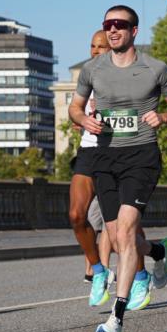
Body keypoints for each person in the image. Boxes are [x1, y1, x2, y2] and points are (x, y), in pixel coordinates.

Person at [71, 5, 167, 332]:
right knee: (119, 235)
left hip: (141, 156)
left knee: (123, 232)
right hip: (104, 157)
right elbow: (74, 108)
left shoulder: (155, 69)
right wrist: (83, 120)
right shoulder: (92, 69)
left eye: (120, 25)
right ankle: (157, 250)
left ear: (134, 31)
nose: (112, 30)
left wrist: (165, 118)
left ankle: (116, 319)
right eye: (107, 24)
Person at [70, 30, 114, 285]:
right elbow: (75, 110)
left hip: (115, 154)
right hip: (88, 151)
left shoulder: (124, 78)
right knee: (78, 216)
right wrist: (80, 119)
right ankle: (97, 269)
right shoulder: (86, 77)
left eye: (101, 46)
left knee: (115, 226)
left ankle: (154, 254)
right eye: (92, 46)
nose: (95, 51)